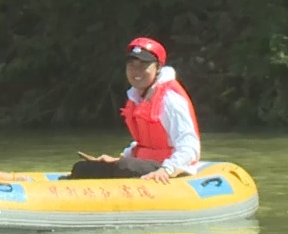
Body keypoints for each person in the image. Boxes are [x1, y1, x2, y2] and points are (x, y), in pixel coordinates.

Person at [67, 36, 201, 183]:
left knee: (124, 167)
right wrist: (120, 159)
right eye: (132, 65)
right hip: (146, 165)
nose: (137, 71)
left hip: (172, 169)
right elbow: (144, 145)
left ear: (158, 68)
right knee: (84, 168)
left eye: (143, 65)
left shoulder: (171, 100)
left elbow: (189, 147)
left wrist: (166, 170)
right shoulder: (138, 96)